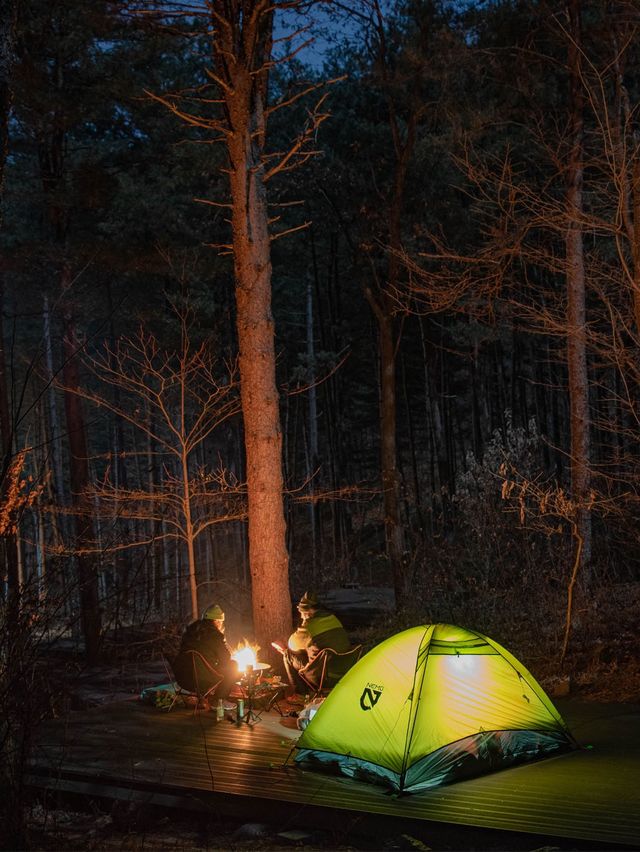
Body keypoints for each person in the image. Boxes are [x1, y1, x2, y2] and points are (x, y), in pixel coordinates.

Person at [278, 591, 350, 693]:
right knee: (308, 651)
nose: (301, 617)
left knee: (287, 654)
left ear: (309, 612)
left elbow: (292, 645)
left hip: (324, 677)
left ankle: (300, 695)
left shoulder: (310, 628)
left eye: (302, 614)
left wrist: (304, 624)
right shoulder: (334, 619)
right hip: (344, 672)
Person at [172, 603, 239, 705]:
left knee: (201, 667)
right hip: (202, 681)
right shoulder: (215, 635)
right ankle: (218, 700)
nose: (221, 625)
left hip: (182, 679)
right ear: (216, 621)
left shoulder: (189, 631)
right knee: (233, 665)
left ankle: (201, 698)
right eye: (221, 622)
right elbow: (225, 659)